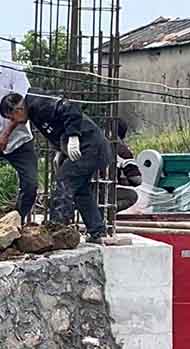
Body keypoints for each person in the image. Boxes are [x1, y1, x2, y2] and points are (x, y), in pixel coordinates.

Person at [0, 91, 111, 243]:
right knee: (80, 190)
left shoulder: (39, 103)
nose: (16, 122)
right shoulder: (33, 111)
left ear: (17, 110)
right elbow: (58, 127)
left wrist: (74, 136)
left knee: (62, 182)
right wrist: (61, 149)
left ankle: (57, 232)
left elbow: (70, 108)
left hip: (89, 146)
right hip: (88, 147)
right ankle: (97, 232)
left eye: (12, 118)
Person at [0, 63, 38, 221]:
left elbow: (21, 106)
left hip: (19, 140)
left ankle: (16, 221)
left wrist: (5, 133)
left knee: (30, 184)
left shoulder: (12, 71)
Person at [115, 118, 142, 213]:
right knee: (132, 196)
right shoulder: (122, 150)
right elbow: (136, 179)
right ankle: (104, 212)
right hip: (102, 192)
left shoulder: (93, 144)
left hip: (81, 190)